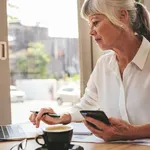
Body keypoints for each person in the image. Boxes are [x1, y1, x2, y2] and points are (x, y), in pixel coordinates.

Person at [29, 0, 150, 141]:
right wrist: (61, 117)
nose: (91, 32)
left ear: (121, 16)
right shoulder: (103, 64)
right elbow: (86, 104)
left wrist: (132, 132)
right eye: (89, 25)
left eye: (96, 22)